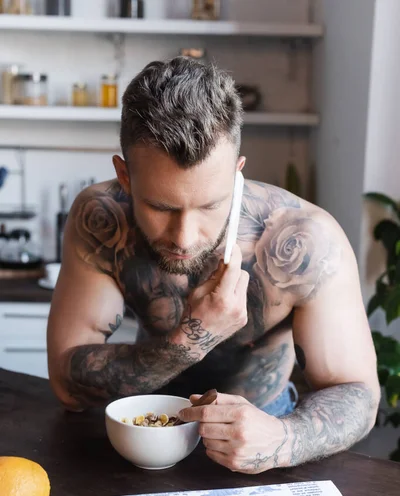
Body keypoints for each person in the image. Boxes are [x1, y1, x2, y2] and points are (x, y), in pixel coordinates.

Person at [47, 57, 380, 474]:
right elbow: (67, 385)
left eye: (209, 205)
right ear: (125, 176)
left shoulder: (306, 239)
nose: (184, 237)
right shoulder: (101, 219)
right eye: (159, 207)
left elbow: (358, 394)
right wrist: (192, 339)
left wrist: (285, 439)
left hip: (264, 431)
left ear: (237, 172)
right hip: (141, 428)